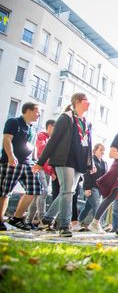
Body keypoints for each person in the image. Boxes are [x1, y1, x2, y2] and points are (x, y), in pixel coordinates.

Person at [33, 93, 93, 237]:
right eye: (87, 101)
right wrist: (41, 162)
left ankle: (47, 219)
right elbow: (53, 141)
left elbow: (88, 143)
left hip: (79, 162)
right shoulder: (65, 118)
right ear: (78, 102)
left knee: (67, 191)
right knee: (67, 191)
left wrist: (89, 163)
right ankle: (64, 226)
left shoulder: (85, 121)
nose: (89, 103)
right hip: (64, 159)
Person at [0, 102, 42, 231]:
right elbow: (7, 139)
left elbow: (31, 145)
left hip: (28, 164)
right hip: (12, 162)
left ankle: (16, 218)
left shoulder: (32, 127)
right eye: (37, 111)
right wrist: (11, 156)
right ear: (28, 111)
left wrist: (35, 160)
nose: (39, 114)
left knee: (35, 188)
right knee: (5, 192)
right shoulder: (14, 122)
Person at [26, 119, 56, 229]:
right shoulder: (42, 136)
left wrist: (52, 172)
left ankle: (28, 220)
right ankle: (42, 220)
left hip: (48, 171)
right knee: (43, 192)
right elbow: (41, 150)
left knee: (37, 196)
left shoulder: (52, 140)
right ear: (49, 127)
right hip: (40, 168)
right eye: (54, 127)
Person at [73, 143, 107, 230]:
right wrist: (87, 188)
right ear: (95, 150)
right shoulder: (91, 161)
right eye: (100, 150)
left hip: (100, 189)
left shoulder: (104, 163)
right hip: (92, 187)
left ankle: (77, 222)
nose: (102, 152)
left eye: (103, 150)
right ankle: (98, 225)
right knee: (97, 205)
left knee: (87, 208)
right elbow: (87, 175)